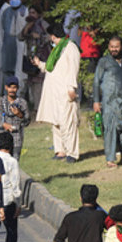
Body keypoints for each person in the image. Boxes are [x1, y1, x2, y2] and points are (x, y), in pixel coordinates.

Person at [33, 22, 81, 162]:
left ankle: (72, 153)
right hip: (54, 92)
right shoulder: (57, 49)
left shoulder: (70, 47)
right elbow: (53, 68)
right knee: (56, 122)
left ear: (53, 36)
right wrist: (39, 64)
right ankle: (60, 151)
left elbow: (73, 68)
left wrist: (71, 87)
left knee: (67, 122)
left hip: (65, 91)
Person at [92, 36, 122, 167]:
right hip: (109, 102)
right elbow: (96, 81)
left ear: (121, 47)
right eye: (111, 47)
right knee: (110, 129)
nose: (114, 49)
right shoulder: (104, 61)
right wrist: (96, 101)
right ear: (108, 47)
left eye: (116, 47)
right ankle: (110, 159)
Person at [0, 131, 23, 242]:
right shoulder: (12, 161)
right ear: (11, 146)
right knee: (11, 232)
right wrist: (18, 204)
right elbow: (15, 184)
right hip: (7, 201)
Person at [0, 75, 29, 160]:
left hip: (16, 139)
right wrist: (3, 124)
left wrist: (20, 115)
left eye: (14, 87)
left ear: (17, 88)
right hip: (2, 140)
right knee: (1, 164)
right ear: (6, 87)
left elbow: (27, 122)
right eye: (10, 87)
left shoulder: (22, 103)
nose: (12, 90)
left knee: (14, 163)